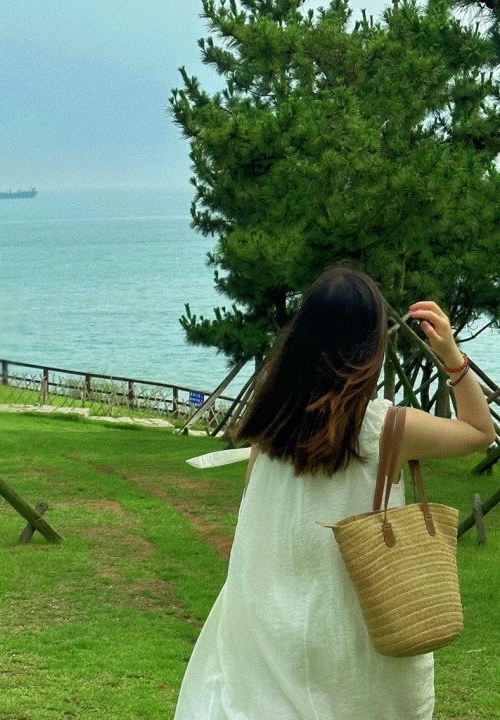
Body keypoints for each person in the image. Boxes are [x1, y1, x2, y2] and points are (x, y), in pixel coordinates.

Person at [174, 265, 495, 720]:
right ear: (371, 345)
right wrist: (453, 358)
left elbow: (255, 523)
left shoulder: (271, 425)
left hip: (270, 634)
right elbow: (480, 431)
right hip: (351, 641)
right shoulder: (386, 429)